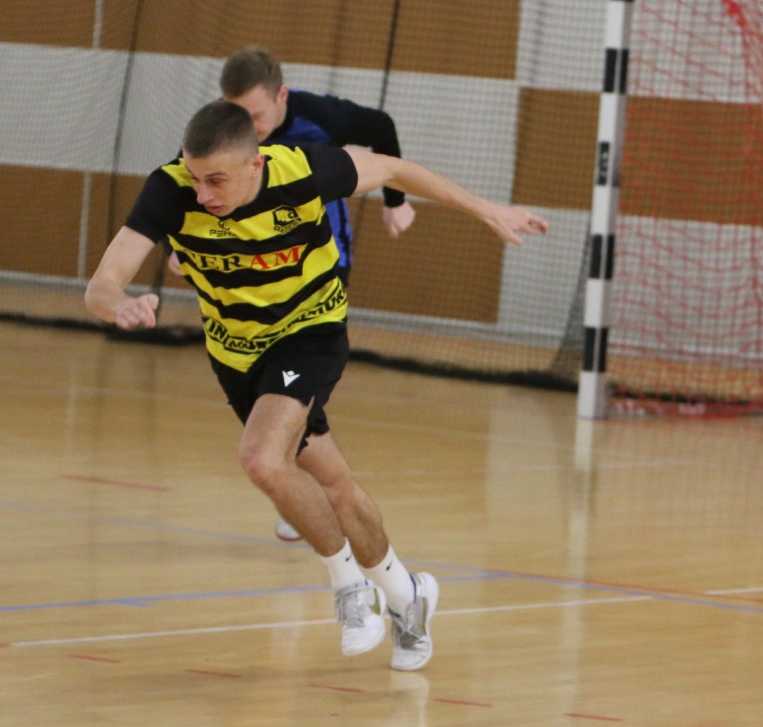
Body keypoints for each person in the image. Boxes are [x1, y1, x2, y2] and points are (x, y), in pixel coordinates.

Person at [86, 100, 548, 671]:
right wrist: (119, 305)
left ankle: (350, 590)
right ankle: (407, 594)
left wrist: (486, 209)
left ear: (255, 164)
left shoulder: (303, 169)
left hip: (310, 331)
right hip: (237, 354)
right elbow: (102, 284)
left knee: (261, 458)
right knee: (331, 483)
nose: (202, 193)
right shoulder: (170, 189)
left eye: (216, 180)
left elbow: (395, 169)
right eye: (195, 176)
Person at [215, 47, 414, 542]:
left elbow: (381, 127)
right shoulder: (223, 132)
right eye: (237, 114)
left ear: (282, 95)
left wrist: (395, 201)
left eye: (256, 115)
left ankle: (299, 485)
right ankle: (303, 483)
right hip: (259, 273)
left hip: (323, 267)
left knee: (296, 376)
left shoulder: (321, 117)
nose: (247, 127)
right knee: (275, 383)